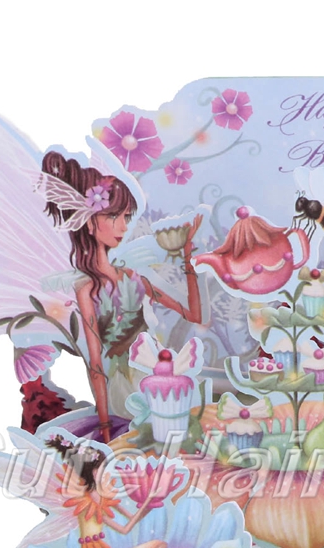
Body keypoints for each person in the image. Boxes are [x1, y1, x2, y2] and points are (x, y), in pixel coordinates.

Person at [39, 151, 202, 443]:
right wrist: (104, 427)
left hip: (161, 371)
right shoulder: (87, 288)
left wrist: (188, 257)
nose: (124, 226)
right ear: (90, 223)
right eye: (113, 216)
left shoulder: (134, 278)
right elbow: (96, 365)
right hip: (127, 385)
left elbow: (194, 315)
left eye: (126, 216)